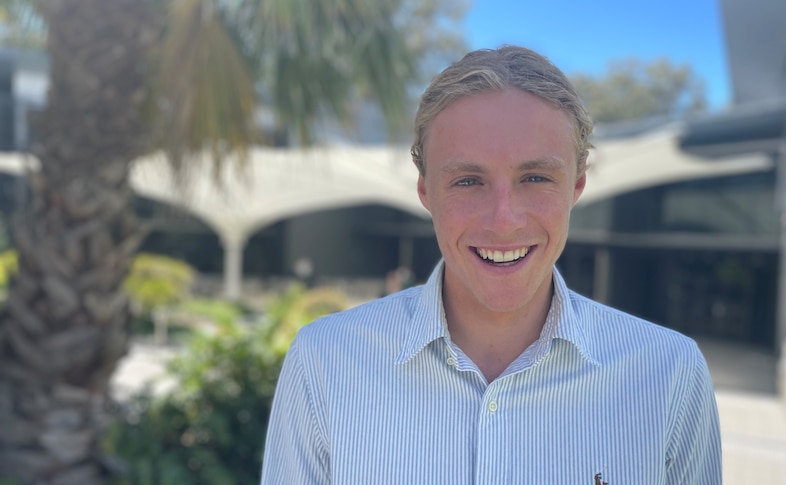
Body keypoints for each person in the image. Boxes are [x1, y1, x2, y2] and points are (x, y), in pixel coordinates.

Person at [261, 45, 722, 484]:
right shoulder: (325, 361)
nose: (504, 219)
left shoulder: (669, 375)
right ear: (426, 193)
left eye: (535, 177)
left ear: (576, 188)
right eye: (468, 180)